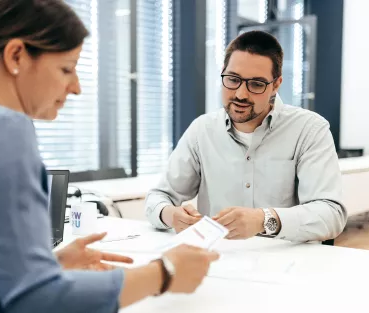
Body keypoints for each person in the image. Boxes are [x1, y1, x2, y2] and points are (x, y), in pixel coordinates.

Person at [0, 1, 219, 312]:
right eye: (66, 69)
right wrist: (164, 273)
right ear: (16, 55)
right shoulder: (2, 129)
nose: (76, 87)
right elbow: (36, 300)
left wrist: (50, 266)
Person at [145, 30, 347, 243]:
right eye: (233, 79)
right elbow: (158, 197)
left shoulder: (309, 129)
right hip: (217, 261)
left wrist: (264, 220)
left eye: (256, 84)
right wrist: (170, 215)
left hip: (286, 263)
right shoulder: (202, 130)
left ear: (276, 85)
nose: (241, 94)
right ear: (223, 72)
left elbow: (331, 214)